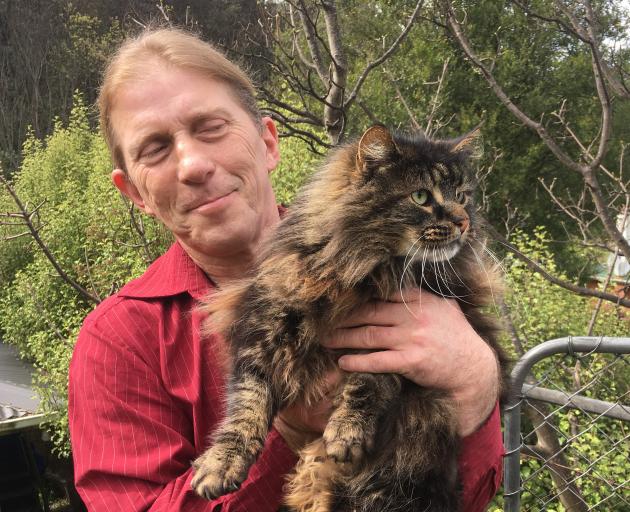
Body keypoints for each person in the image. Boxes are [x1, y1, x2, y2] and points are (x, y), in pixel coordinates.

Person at [68, 27, 504, 511]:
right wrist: (286, 433)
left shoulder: (417, 273)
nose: (192, 164)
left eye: (210, 127)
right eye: (155, 148)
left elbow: (475, 493)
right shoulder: (116, 342)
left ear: (269, 143)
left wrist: (476, 381)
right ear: (134, 193)